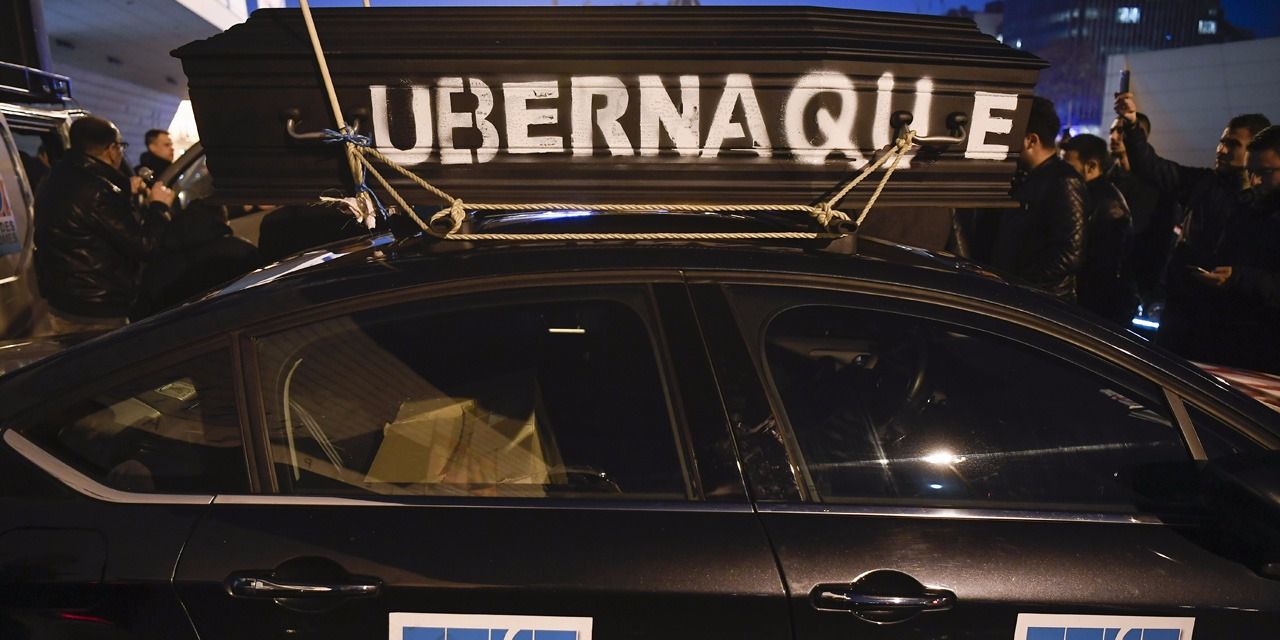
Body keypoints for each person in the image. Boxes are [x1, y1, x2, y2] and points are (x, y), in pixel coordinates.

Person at [1113, 93, 1269, 353]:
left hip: (1233, 322)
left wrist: (1239, 279)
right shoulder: (1203, 184)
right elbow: (1152, 167)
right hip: (1183, 307)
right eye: (1221, 142)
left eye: (1233, 144)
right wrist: (1131, 124)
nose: (1221, 150)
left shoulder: (1267, 205)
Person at [33, 116, 176, 334]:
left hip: (62, 303)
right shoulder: (98, 191)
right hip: (98, 308)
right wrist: (158, 206)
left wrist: (125, 191)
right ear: (111, 149)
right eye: (120, 146)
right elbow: (145, 245)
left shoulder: (52, 178)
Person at [1178, 125, 1280, 373]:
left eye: (1264, 172)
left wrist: (1239, 278)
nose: (1255, 181)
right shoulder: (1245, 208)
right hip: (1229, 344)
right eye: (1250, 172)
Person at [989, 96, 1086, 302]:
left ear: (1031, 140)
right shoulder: (1029, 177)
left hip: (1042, 300)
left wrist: (1019, 281)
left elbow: (1069, 253)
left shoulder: (1064, 181)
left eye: (1012, 136)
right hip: (1021, 294)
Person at [1063, 134, 1138, 326]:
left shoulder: (1109, 206)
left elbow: (1104, 270)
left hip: (1097, 311)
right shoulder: (1087, 196)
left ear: (1091, 166)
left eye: (1070, 168)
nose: (1064, 174)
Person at [1108, 113, 1181, 308]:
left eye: (1120, 131)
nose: (1113, 137)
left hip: (1138, 280)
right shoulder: (1106, 179)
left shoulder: (1156, 184)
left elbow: (1160, 239)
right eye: (1112, 131)